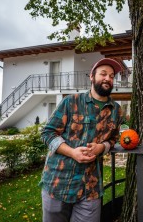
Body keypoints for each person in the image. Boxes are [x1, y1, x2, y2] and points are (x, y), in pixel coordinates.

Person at [40, 58, 124, 222]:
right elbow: (47, 133)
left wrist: (102, 147)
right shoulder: (71, 102)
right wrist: (72, 152)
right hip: (58, 182)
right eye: (103, 74)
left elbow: (113, 139)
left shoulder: (117, 111)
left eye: (112, 76)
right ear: (92, 77)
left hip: (90, 187)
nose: (108, 78)